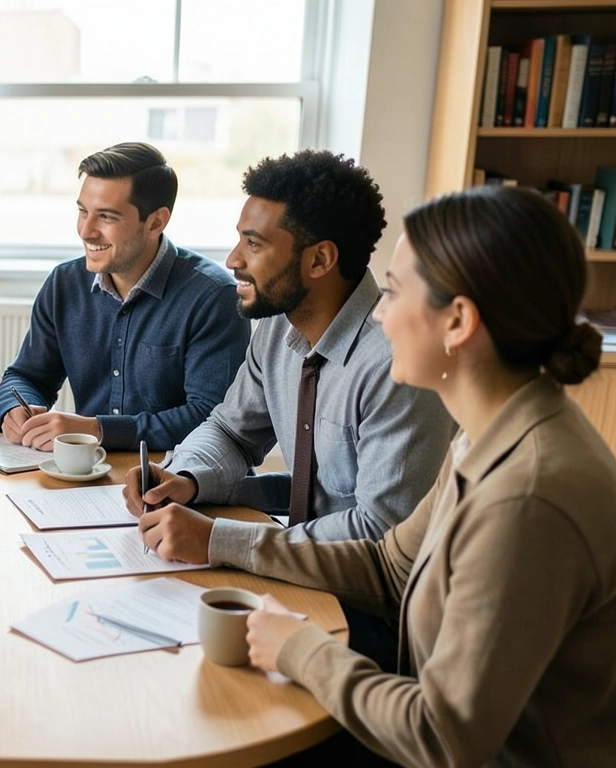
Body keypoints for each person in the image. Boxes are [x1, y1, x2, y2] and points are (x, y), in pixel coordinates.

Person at [234, 186, 614, 765]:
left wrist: (301, 649)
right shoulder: (485, 434)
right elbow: (391, 566)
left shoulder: (527, 498)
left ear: (458, 321)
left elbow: (442, 736)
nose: (379, 314)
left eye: (392, 291)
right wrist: (226, 545)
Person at [123, 151, 455, 671]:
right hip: (297, 578)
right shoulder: (278, 328)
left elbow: (380, 536)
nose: (233, 258)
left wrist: (219, 540)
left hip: (377, 623)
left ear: (320, 261)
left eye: (254, 244)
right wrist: (185, 478)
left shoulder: (397, 365)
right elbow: (230, 431)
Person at [0, 142, 249, 452]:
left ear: (156, 222)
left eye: (107, 217)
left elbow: (211, 418)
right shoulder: (64, 284)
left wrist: (100, 430)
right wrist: (15, 407)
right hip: (86, 474)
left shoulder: (212, 297)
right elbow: (26, 375)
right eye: (82, 211)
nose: (86, 231)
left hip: (178, 480)